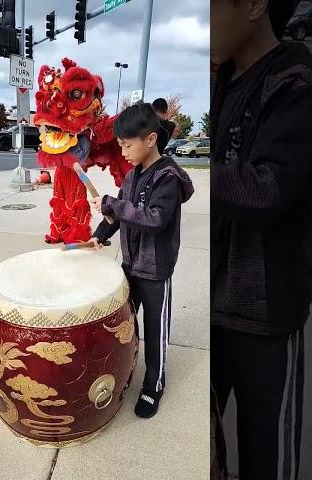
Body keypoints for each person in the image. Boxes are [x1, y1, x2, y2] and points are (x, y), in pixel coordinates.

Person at [210, 0, 312, 478]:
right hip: (211, 299)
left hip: (265, 312)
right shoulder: (220, 77)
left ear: (253, 6)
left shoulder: (295, 88)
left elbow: (269, 189)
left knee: (267, 452)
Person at [89, 102, 195, 418]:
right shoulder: (132, 177)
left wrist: (114, 205)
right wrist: (100, 233)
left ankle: (153, 386)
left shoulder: (168, 177)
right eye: (119, 146)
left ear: (150, 139)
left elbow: (154, 219)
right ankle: (126, 370)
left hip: (155, 271)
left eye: (127, 145)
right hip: (130, 267)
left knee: (154, 332)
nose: (122, 152)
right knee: (125, 326)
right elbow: (120, 213)